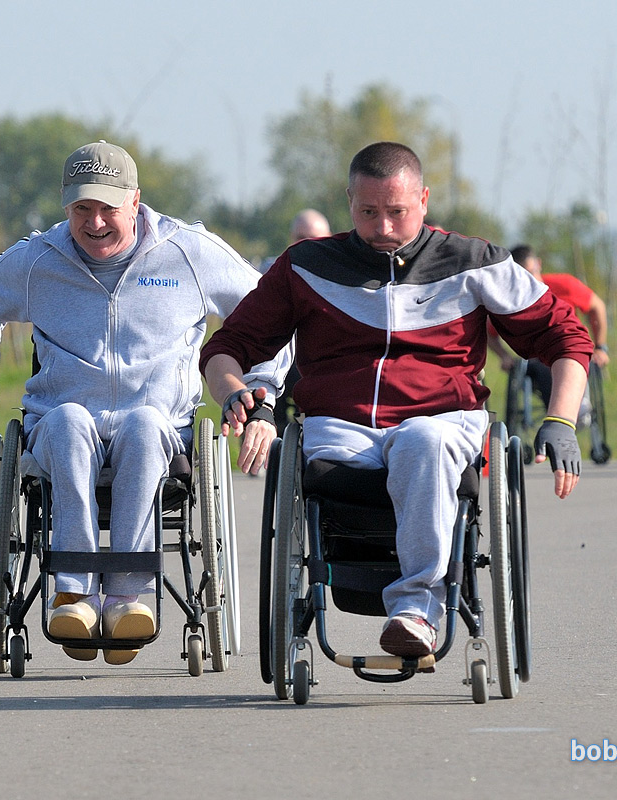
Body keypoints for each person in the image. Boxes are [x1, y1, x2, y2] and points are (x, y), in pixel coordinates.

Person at [201, 141, 591, 660]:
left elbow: (566, 336)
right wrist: (235, 394)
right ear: (348, 202)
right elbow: (227, 347)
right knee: (364, 452)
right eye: (368, 212)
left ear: (424, 200)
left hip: (442, 422)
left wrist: (561, 417)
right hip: (340, 424)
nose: (382, 228)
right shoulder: (307, 266)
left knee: (422, 441)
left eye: (397, 212)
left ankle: (415, 612)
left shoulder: (475, 262)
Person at [0, 141, 286, 665]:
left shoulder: (189, 252)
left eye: (108, 208)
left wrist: (261, 395)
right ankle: (74, 593)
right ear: (66, 208)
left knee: (145, 423)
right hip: (61, 422)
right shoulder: (39, 259)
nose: (96, 222)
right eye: (82, 208)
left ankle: (128, 597)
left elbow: (270, 316)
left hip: (160, 427)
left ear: (135, 201)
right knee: (68, 421)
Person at [489, 244, 609, 423]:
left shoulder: (564, 285)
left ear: (539, 264)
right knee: (544, 368)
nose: (531, 280)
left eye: (533, 271)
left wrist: (600, 347)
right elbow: (489, 332)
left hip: (569, 350)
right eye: (524, 276)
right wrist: (504, 356)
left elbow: (597, 306)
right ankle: (560, 417)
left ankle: (573, 410)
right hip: (535, 359)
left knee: (569, 360)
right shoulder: (510, 299)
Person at [271, 209, 332, 437]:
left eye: (314, 238)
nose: (307, 244)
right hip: (281, 361)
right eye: (300, 237)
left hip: (322, 365)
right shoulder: (274, 274)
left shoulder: (340, 276)